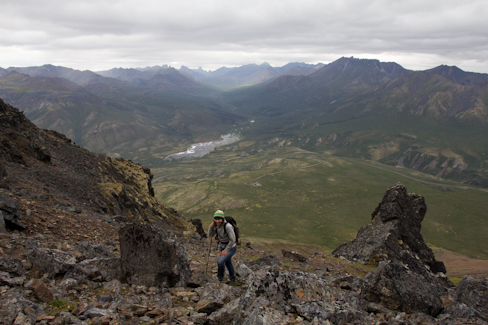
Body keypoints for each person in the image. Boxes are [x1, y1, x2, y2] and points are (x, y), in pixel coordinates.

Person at [208, 210, 237, 282]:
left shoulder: (228, 226)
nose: (217, 221)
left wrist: (226, 250)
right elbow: (210, 235)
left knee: (220, 262)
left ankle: (219, 277)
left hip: (231, 247)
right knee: (227, 262)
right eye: (216, 219)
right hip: (222, 246)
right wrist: (211, 226)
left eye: (219, 219)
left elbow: (232, 239)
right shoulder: (216, 226)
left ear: (222, 219)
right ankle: (232, 278)